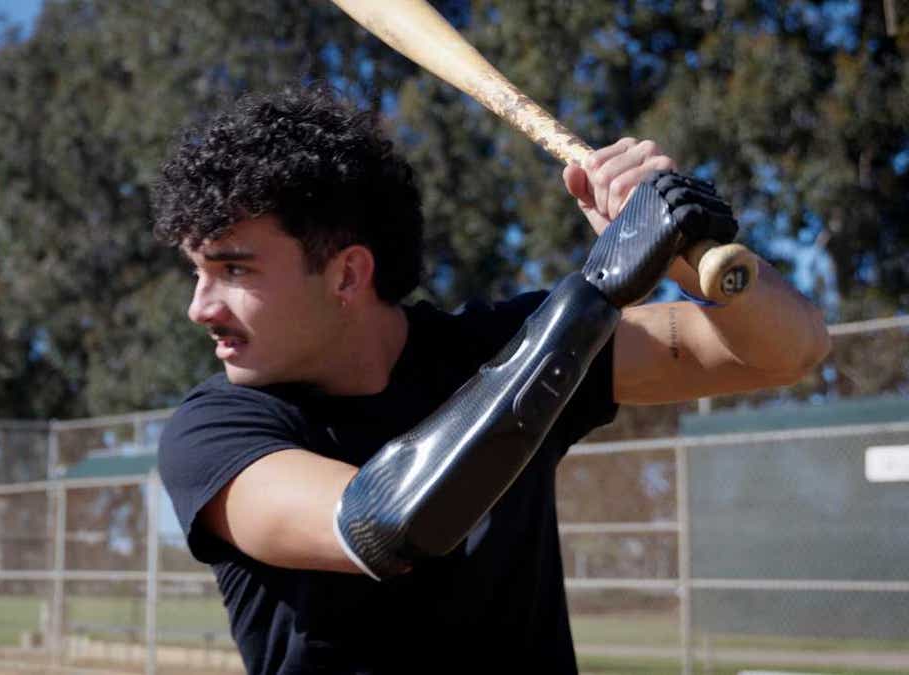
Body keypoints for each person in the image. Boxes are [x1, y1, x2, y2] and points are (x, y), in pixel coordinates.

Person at [150, 85, 829, 674]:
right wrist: (597, 293)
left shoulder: (501, 345)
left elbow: (788, 350)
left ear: (348, 275)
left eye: (234, 270)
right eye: (198, 272)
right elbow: (384, 521)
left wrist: (677, 245)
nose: (198, 307)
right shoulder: (216, 432)